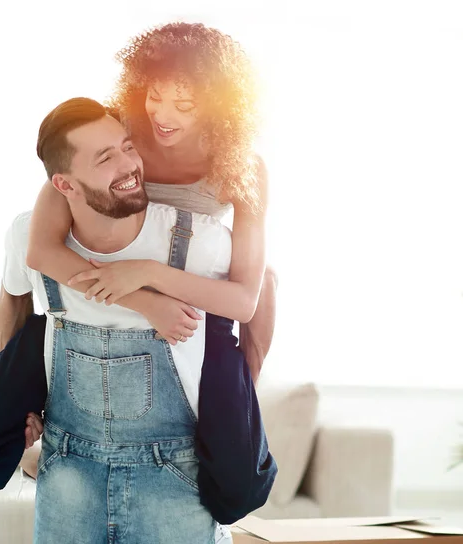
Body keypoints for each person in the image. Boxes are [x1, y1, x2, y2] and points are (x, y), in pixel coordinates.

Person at [21, 21, 277, 515]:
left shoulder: (244, 166)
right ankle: (28, 413)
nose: (161, 115)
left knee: (268, 284)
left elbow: (245, 300)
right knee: (16, 268)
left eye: (185, 105)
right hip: (105, 275)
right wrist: (138, 295)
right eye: (156, 96)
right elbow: (42, 248)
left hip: (185, 280)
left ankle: (238, 406)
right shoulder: (116, 133)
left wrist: (149, 274)